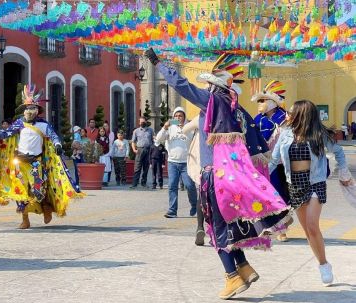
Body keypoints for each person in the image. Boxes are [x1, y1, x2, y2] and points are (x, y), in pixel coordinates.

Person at [145, 48, 290, 299]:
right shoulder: (237, 108)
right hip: (232, 175)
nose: (208, 89)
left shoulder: (214, 100)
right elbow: (256, 141)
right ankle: (244, 268)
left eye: (210, 84)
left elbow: (182, 85)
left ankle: (232, 277)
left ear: (216, 85)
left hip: (215, 175)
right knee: (231, 226)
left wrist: (158, 64)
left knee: (217, 228)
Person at [269, 100, 353, 286]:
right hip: (295, 184)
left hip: (315, 182)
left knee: (312, 225)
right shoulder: (285, 134)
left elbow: (338, 151)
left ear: (301, 114)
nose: (287, 115)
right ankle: (322, 261)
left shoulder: (318, 134)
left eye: (290, 112)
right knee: (308, 230)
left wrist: (344, 172)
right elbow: (274, 161)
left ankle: (324, 267)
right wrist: (258, 179)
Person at [0, 84, 83, 229]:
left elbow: (54, 137)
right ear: (24, 110)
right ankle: (25, 219)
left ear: (37, 110)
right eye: (27, 108)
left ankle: (46, 208)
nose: (30, 111)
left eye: (32, 108)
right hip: (20, 161)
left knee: (38, 190)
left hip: (36, 163)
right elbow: (6, 134)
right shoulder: (19, 123)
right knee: (20, 191)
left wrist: (58, 145)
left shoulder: (43, 125)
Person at [252, 80, 292, 242]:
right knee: (263, 196)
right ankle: (266, 226)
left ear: (274, 102)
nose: (260, 103)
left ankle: (282, 229)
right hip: (262, 163)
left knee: (280, 196)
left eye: (263, 100)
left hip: (280, 164)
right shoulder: (257, 119)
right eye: (259, 100)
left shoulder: (285, 119)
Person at [156, 107, 198, 217]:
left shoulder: (190, 127)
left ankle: (194, 205)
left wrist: (185, 127)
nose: (178, 118)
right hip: (172, 162)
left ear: (184, 117)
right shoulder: (170, 128)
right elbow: (159, 139)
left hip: (186, 162)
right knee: (172, 186)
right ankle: (172, 210)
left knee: (189, 185)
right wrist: (164, 128)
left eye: (180, 116)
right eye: (176, 116)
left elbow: (195, 140)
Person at [181, 116, 206, 245]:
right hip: (221, 163)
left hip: (202, 163)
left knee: (202, 195)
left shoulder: (201, 117)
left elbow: (185, 130)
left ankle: (200, 227)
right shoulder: (227, 115)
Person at [130, 116, 154, 189]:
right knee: (137, 167)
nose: (142, 123)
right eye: (141, 122)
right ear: (139, 122)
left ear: (146, 122)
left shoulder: (150, 130)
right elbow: (133, 141)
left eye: (143, 122)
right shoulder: (136, 131)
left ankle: (144, 183)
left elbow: (153, 140)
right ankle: (134, 184)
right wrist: (134, 149)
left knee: (146, 167)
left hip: (148, 150)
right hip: (139, 150)